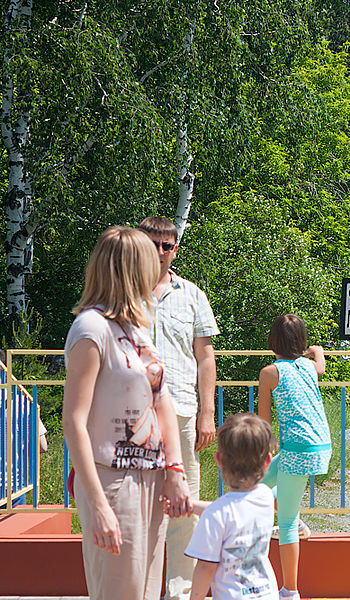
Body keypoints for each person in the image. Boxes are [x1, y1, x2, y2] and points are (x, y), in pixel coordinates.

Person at [62, 226, 192, 600]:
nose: (158, 268)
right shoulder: (91, 328)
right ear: (131, 270)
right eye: (150, 261)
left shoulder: (135, 327)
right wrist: (99, 505)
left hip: (150, 476)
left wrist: (174, 469)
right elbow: (74, 422)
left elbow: (160, 399)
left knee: (147, 592)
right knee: (121, 593)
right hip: (113, 480)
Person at [137, 216, 220, 600]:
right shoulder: (123, 291)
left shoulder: (193, 294)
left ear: (175, 249)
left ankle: (181, 590)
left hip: (184, 411)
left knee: (184, 503)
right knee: (137, 502)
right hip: (132, 415)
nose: (159, 251)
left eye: (166, 245)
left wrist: (207, 413)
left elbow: (205, 356)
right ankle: (141, 587)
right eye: (152, 243)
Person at [257, 315, 331, 600]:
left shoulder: (269, 373)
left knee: (284, 522)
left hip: (297, 451)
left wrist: (269, 442)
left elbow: (264, 419)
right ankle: (295, 517)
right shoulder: (309, 367)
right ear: (300, 342)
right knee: (257, 484)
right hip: (318, 446)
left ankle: (290, 591)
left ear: (272, 342)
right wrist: (316, 349)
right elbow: (321, 362)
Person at [185, 413, 278, 600]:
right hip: (267, 593)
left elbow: (205, 567)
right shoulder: (266, 497)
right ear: (267, 461)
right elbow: (236, 509)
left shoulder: (216, 515)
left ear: (218, 460)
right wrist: (193, 506)